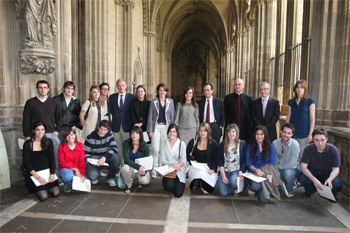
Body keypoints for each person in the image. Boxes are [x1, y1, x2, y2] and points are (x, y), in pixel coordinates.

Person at [23, 80, 62, 177]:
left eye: (45, 87)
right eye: (40, 87)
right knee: (36, 158)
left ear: (48, 89)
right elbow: (26, 120)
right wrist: (27, 135)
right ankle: (36, 179)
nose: (43, 89)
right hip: (35, 136)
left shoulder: (54, 102)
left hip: (50, 134)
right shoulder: (30, 102)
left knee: (55, 157)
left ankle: (55, 177)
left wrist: (57, 130)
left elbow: (59, 118)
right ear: (37, 89)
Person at [299, 128, 342, 199]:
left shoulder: (333, 150)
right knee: (302, 178)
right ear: (313, 140)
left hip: (328, 171)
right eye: (316, 140)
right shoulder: (308, 149)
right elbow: (303, 167)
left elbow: (336, 169)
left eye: (322, 140)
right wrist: (314, 179)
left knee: (337, 183)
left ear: (327, 139)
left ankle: (332, 194)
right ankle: (310, 190)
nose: (320, 143)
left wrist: (330, 179)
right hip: (313, 171)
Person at [22, 121, 60, 201]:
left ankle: (45, 187)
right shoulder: (28, 144)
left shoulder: (49, 142)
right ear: (34, 131)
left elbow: (52, 159)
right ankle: (37, 188)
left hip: (47, 173)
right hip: (34, 174)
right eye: (38, 130)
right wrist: (38, 177)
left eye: (42, 129)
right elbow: (27, 163)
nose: (40, 132)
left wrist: (52, 174)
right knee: (43, 197)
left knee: (55, 193)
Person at [147, 83, 175, 178]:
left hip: (166, 128)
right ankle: (154, 171)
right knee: (156, 150)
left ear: (166, 92)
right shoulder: (153, 102)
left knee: (163, 149)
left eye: (164, 90)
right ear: (158, 91)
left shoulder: (170, 102)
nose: (162, 92)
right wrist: (150, 130)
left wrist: (172, 130)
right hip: (156, 127)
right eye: (160, 90)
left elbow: (172, 116)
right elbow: (150, 117)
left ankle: (162, 170)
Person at [246, 125, 277, 204]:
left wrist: (264, 173)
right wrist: (256, 170)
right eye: (257, 134)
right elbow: (248, 162)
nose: (259, 136)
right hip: (254, 172)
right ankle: (253, 188)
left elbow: (272, 163)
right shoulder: (250, 146)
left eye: (261, 134)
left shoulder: (271, 147)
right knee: (255, 187)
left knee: (264, 201)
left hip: (266, 173)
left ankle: (264, 186)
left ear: (265, 135)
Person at [84, 120, 120, 186]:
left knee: (116, 158)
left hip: (105, 159)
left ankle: (110, 178)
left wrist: (104, 157)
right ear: (98, 127)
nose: (102, 132)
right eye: (101, 129)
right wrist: (90, 161)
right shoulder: (90, 137)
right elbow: (85, 152)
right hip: (94, 160)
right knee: (93, 176)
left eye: (105, 130)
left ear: (108, 130)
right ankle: (95, 173)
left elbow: (114, 148)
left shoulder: (110, 136)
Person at [286, 79, 316, 158]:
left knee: (303, 155)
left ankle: (302, 170)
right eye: (298, 87)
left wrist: (310, 133)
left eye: (302, 87)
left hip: (304, 132)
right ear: (295, 89)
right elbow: (288, 116)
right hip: (292, 132)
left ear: (305, 89)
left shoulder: (310, 101)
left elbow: (312, 118)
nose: (299, 89)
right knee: (292, 154)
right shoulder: (291, 102)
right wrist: (285, 131)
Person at [187, 122, 219, 194]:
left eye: (205, 131)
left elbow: (216, 157)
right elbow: (186, 153)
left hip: (208, 168)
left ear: (208, 132)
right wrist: (192, 160)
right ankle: (197, 182)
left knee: (206, 192)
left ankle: (200, 182)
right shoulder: (194, 141)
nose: (202, 133)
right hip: (196, 168)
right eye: (200, 130)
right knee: (194, 186)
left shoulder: (213, 143)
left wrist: (213, 169)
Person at [218, 123, 246, 197]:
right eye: (229, 132)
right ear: (227, 133)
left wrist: (241, 172)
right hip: (225, 171)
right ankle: (228, 185)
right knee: (224, 194)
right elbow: (220, 162)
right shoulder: (222, 145)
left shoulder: (242, 144)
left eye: (233, 131)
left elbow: (243, 161)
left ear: (236, 132)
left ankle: (236, 185)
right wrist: (223, 177)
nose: (231, 134)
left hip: (236, 171)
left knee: (234, 182)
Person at [109, 79, 136, 160]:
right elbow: (109, 111)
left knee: (127, 147)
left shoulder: (132, 97)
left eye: (123, 85)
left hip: (127, 126)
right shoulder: (112, 97)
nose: (121, 87)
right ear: (117, 87)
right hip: (115, 126)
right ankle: (121, 165)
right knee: (118, 148)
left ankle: (127, 164)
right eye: (119, 85)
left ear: (126, 86)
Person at [272, 123, 300, 197]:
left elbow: (292, 165)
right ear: (281, 132)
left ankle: (290, 189)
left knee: (287, 173)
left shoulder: (295, 145)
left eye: (289, 133)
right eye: (284, 132)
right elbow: (274, 160)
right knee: (272, 187)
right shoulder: (275, 143)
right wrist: (276, 175)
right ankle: (286, 182)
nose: (286, 135)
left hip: (292, 169)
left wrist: (276, 168)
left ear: (292, 134)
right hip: (279, 169)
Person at [122, 126, 151, 194]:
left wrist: (144, 172)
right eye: (133, 133)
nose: (134, 135)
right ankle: (129, 185)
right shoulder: (126, 143)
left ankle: (141, 181)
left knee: (145, 181)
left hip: (141, 167)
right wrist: (138, 167)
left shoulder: (145, 146)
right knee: (125, 168)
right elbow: (126, 160)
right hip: (131, 166)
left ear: (140, 135)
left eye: (137, 133)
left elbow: (146, 162)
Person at [160, 124, 187, 197]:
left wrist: (177, 166)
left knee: (178, 194)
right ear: (168, 133)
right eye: (170, 131)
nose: (172, 134)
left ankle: (180, 183)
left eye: (174, 132)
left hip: (179, 169)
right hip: (168, 170)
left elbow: (183, 161)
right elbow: (163, 160)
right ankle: (170, 182)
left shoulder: (182, 144)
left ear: (177, 133)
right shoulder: (163, 144)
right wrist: (173, 164)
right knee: (168, 187)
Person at [58, 128, 86, 193]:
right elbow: (62, 163)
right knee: (68, 176)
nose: (70, 137)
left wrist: (81, 174)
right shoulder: (61, 146)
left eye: (72, 134)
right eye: (68, 135)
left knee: (84, 179)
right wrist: (76, 169)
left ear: (75, 135)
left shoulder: (80, 145)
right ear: (65, 137)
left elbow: (82, 161)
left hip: (78, 168)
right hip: (66, 168)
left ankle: (73, 181)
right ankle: (67, 183)